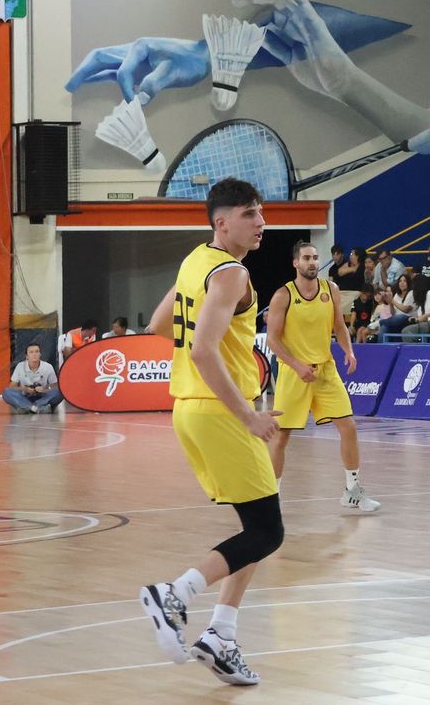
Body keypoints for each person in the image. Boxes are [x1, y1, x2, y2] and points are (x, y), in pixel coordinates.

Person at [137, 178, 283, 687]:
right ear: (222, 222)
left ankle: (221, 635)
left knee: (255, 528)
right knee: (268, 532)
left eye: (260, 212)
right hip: (220, 412)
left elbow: (160, 324)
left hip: (190, 409)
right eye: (249, 214)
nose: (261, 222)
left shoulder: (195, 262)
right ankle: (174, 595)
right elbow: (201, 350)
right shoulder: (232, 274)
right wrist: (248, 415)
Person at [264, 242, 380, 514]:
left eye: (315, 257)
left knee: (349, 427)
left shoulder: (331, 289)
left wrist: (349, 351)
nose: (312, 262)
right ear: (296, 263)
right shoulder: (283, 295)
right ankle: (269, 499)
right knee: (281, 436)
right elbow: (273, 340)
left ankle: (352, 491)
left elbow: (339, 325)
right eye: (306, 258)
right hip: (294, 373)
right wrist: (296, 365)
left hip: (325, 370)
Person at [4, 342, 62, 414]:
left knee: (60, 392)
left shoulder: (48, 367)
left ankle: (30, 407)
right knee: (7, 392)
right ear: (26, 356)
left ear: (40, 354)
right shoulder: (20, 366)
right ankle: (35, 407)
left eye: (37, 352)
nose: (34, 354)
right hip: (24, 397)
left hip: (43, 396)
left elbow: (55, 386)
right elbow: (12, 386)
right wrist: (24, 389)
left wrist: (45, 388)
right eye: (31, 352)